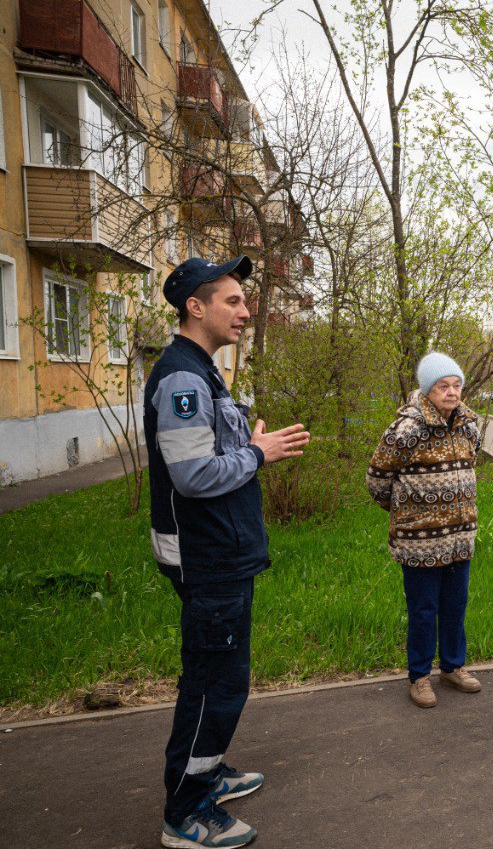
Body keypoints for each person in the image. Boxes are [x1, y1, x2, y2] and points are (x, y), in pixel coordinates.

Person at [146, 256, 310, 849]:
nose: (247, 311)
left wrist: (249, 439)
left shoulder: (204, 373)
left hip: (223, 551)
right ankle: (185, 811)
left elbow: (213, 448)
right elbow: (191, 474)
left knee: (220, 677)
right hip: (207, 555)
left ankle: (207, 771)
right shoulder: (184, 379)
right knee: (215, 684)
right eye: (233, 301)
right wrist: (260, 454)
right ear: (196, 306)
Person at [367, 352, 483, 709]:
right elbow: (377, 478)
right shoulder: (407, 428)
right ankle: (419, 676)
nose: (451, 392)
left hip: (460, 538)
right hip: (420, 542)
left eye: (456, 385)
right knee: (423, 609)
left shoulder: (468, 425)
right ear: (427, 390)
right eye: (443, 386)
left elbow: (472, 460)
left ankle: (453, 667)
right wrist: (408, 511)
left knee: (455, 606)